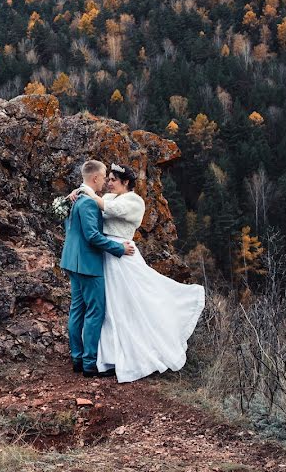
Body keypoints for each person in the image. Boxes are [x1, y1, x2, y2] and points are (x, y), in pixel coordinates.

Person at [72, 163, 205, 382]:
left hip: (122, 254)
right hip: (106, 254)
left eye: (114, 179)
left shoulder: (134, 201)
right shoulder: (111, 197)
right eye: (109, 179)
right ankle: (106, 357)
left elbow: (108, 209)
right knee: (108, 307)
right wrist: (79, 192)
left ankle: (137, 350)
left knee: (127, 304)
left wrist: (84, 190)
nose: (109, 182)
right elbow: (98, 208)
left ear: (126, 183)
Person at [60, 160, 136, 378]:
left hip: (71, 261)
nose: (106, 181)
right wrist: (119, 249)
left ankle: (77, 357)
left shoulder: (75, 200)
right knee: (95, 311)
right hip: (88, 263)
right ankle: (89, 363)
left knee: (77, 309)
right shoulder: (91, 203)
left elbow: (70, 228)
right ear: (95, 178)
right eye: (104, 177)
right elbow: (93, 236)